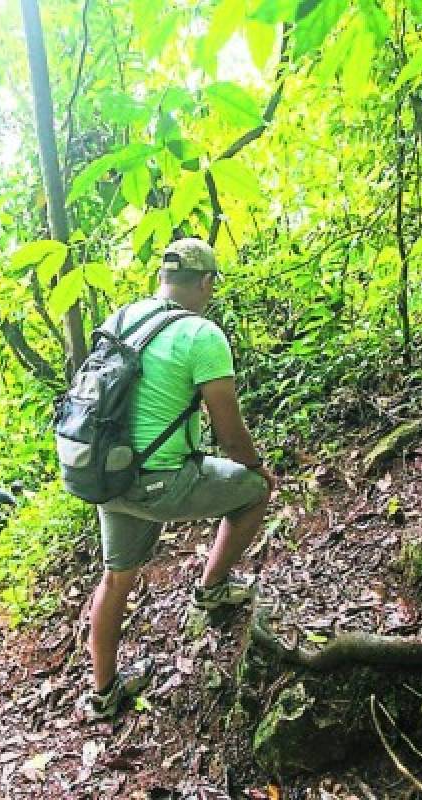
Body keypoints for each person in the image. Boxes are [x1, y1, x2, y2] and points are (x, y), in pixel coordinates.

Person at [80, 237, 276, 721]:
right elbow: (228, 432)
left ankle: (103, 693)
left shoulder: (120, 319)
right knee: (255, 494)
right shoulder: (200, 334)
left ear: (162, 279)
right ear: (206, 282)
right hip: (161, 482)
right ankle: (211, 588)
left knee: (115, 577)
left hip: (108, 476)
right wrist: (255, 468)